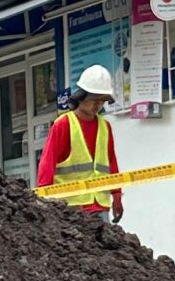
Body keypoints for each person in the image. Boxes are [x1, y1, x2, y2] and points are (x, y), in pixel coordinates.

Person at [36, 64, 124, 223]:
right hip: (70, 209)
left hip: (100, 207)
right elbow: (47, 162)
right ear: (81, 96)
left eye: (102, 100)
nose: (98, 105)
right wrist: (43, 199)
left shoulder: (105, 127)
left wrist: (116, 194)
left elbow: (111, 163)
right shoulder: (63, 124)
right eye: (93, 100)